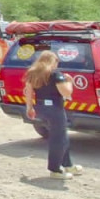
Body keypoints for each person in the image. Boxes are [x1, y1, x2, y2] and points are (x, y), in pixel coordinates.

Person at [24, 50, 82, 179]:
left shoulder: (33, 73)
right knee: (58, 139)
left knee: (62, 136)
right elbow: (66, 93)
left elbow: (28, 90)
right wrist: (69, 81)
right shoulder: (55, 74)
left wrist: (29, 107)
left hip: (41, 107)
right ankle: (55, 170)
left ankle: (68, 164)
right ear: (53, 61)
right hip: (55, 109)